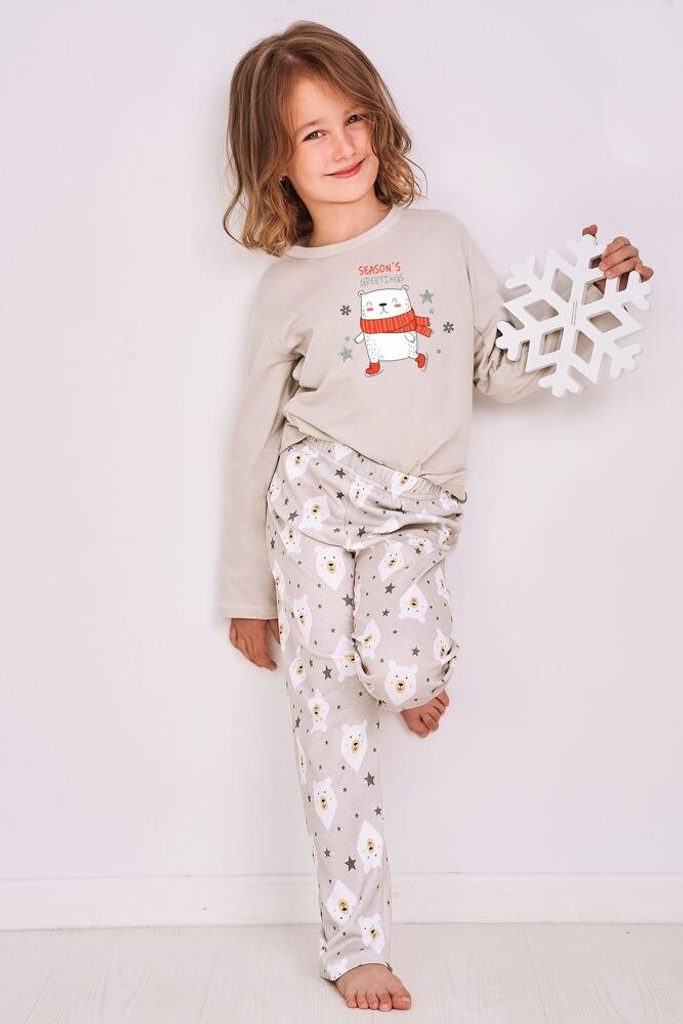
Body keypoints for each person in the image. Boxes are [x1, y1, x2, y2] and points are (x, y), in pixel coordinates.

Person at [217, 20, 654, 1012]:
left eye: (353, 119)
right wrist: (248, 593)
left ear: (379, 121)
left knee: (403, 670)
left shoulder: (439, 240)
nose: (343, 146)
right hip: (312, 508)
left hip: (415, 510)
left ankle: (405, 672)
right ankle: (354, 944)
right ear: (274, 162)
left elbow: (493, 369)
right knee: (330, 731)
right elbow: (250, 443)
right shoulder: (285, 287)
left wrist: (596, 297)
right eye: (311, 134)